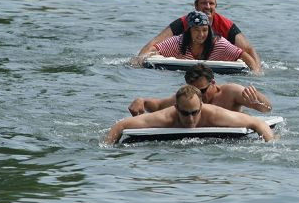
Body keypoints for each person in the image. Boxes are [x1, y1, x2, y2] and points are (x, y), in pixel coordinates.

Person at [135, 0, 262, 73]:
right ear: (196, 6)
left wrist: (257, 72)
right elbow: (154, 44)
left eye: (211, 3)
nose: (207, 7)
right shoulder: (179, 36)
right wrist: (138, 62)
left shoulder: (222, 39)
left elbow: (248, 50)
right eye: (204, 3)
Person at [105, 85, 274, 144]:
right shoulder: (165, 117)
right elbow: (121, 125)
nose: (191, 119)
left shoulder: (215, 115)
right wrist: (107, 149)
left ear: (201, 106)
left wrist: (272, 147)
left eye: (195, 112)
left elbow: (258, 123)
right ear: (176, 108)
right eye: (185, 113)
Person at [129, 63, 272, 116]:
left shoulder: (231, 91)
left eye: (202, 91)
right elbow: (159, 105)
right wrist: (142, 101)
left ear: (213, 83)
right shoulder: (189, 97)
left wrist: (256, 103)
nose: (198, 95)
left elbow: (268, 108)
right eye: (194, 90)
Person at [140, 10, 259, 71]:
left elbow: (245, 56)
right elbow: (153, 49)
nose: (201, 34)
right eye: (196, 30)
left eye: (204, 30)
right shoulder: (177, 42)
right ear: (189, 30)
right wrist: (140, 60)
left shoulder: (220, 44)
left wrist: (256, 74)